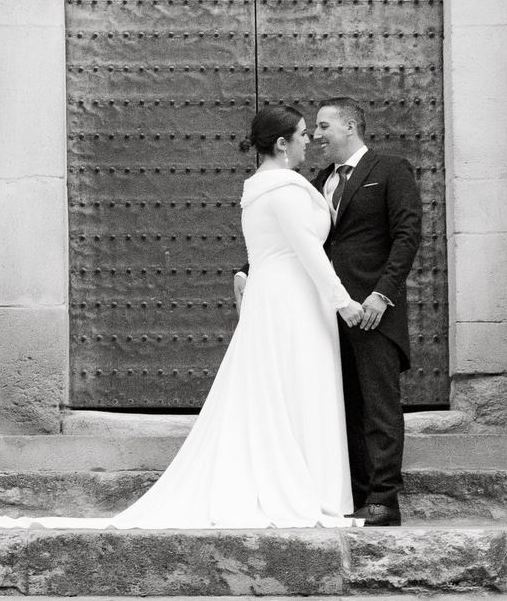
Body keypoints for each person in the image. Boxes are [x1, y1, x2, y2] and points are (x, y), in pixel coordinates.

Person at [104, 102, 366, 529]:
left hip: (275, 295)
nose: (308, 141)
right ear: (281, 144)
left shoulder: (261, 188)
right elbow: (308, 252)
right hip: (292, 302)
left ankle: (307, 485)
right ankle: (306, 489)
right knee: (300, 385)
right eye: (301, 134)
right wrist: (344, 302)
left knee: (288, 387)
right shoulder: (283, 187)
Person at [310, 96, 422, 526]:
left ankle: (383, 501)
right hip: (333, 314)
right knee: (346, 409)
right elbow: (307, 238)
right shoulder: (321, 181)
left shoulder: (391, 169)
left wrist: (382, 295)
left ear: (351, 126)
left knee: (379, 408)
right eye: (315, 129)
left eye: (323, 126)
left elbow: (407, 235)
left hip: (376, 311)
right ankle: (356, 496)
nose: (317, 136)